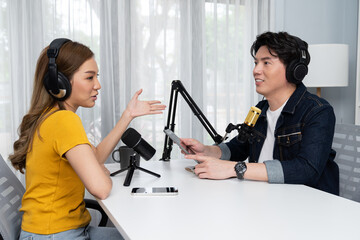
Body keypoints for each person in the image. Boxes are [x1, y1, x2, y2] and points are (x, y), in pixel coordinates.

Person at [9, 38, 166, 240]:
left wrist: (128, 115)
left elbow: (96, 157)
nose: (98, 85)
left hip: (50, 232)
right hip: (55, 235)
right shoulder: (64, 121)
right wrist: (99, 173)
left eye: (96, 76)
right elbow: (100, 188)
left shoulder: (52, 116)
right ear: (60, 82)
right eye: (90, 77)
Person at [181, 31, 339, 195]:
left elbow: (307, 169)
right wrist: (206, 151)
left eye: (266, 63)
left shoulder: (318, 111)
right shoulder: (261, 108)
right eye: (256, 62)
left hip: (305, 205)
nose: (256, 70)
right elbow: (238, 148)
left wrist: (235, 169)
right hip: (265, 198)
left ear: (294, 70)